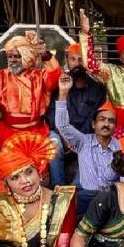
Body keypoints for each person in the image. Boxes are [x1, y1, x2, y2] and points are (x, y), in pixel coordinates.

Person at [0, 32, 61, 197]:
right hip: (6, 131)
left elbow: (55, 75)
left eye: (17, 56)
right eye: (10, 56)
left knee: (37, 162)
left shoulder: (40, 76)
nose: (13, 60)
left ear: (28, 56)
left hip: (36, 132)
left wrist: (45, 55)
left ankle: (47, 197)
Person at [55, 74, 120, 217]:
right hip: (86, 198)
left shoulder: (120, 148)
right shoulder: (82, 141)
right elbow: (62, 125)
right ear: (93, 124)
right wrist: (63, 93)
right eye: (102, 120)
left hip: (111, 198)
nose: (106, 124)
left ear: (115, 126)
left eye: (111, 121)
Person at [45, 42, 106, 187]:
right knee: (54, 145)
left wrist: (77, 138)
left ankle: (76, 189)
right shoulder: (58, 84)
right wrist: (66, 136)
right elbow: (52, 116)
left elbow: (95, 117)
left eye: (81, 60)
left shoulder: (97, 87)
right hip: (60, 132)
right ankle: (57, 187)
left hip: (85, 135)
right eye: (73, 59)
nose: (77, 64)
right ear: (67, 61)